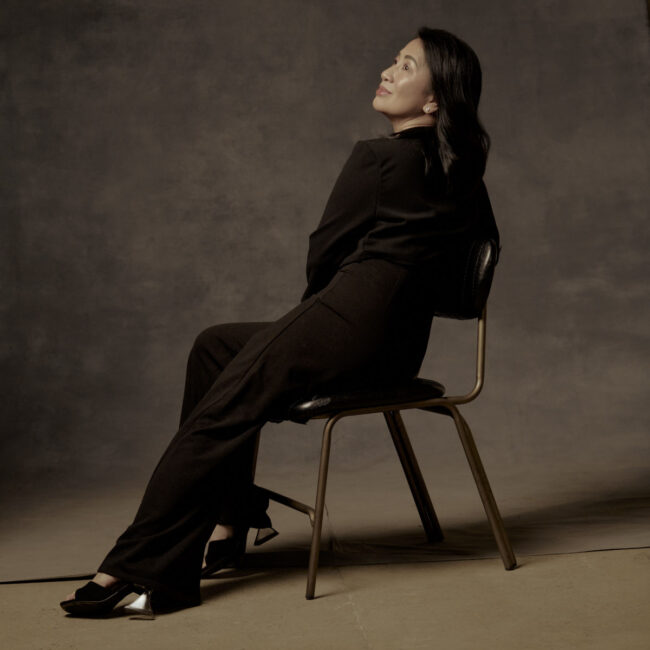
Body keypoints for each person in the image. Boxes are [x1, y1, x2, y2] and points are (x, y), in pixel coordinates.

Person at [60, 25, 500, 617]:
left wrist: (320, 315)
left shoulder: (378, 158)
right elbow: (474, 261)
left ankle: (139, 569)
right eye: (393, 59)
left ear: (434, 100)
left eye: (406, 66)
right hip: (398, 352)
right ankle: (231, 521)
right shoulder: (464, 173)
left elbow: (324, 254)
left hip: (347, 326)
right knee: (216, 346)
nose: (387, 71)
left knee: (222, 413)